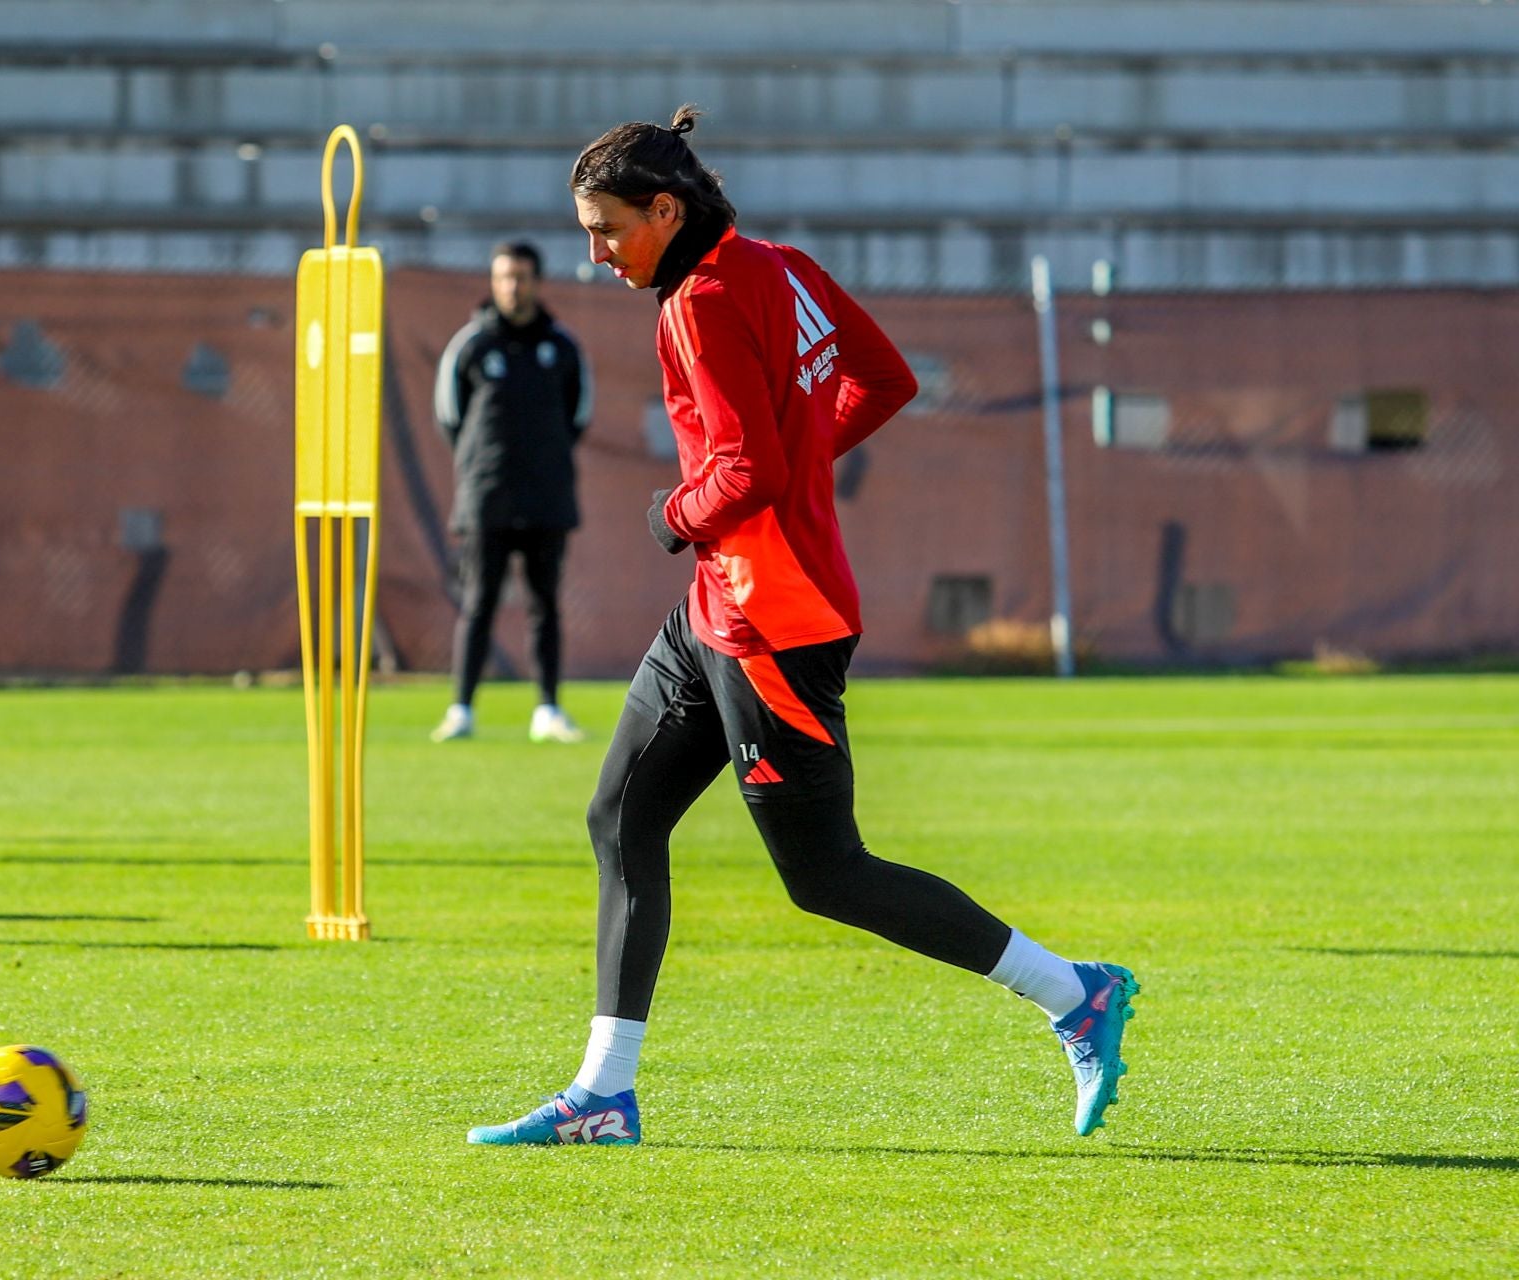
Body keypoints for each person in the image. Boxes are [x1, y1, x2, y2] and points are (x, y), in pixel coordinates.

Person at [468, 108, 1138, 1147]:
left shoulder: (697, 301)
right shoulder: (782, 265)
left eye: (606, 231)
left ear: (665, 208)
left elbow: (748, 472)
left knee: (827, 874)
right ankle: (604, 1093)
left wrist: (671, 514)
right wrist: (787, 462)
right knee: (621, 817)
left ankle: (1074, 992)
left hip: (775, 621)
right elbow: (885, 380)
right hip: (720, 610)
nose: (593, 255)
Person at [430, 241, 593, 744]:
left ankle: (548, 709)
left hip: (547, 499)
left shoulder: (562, 347)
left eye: (521, 277)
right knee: (478, 602)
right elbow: (450, 416)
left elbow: (578, 415)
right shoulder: (472, 345)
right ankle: (461, 709)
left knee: (545, 604)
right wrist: (485, 468)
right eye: (503, 277)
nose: (512, 286)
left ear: (537, 282)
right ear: (493, 281)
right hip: (487, 500)